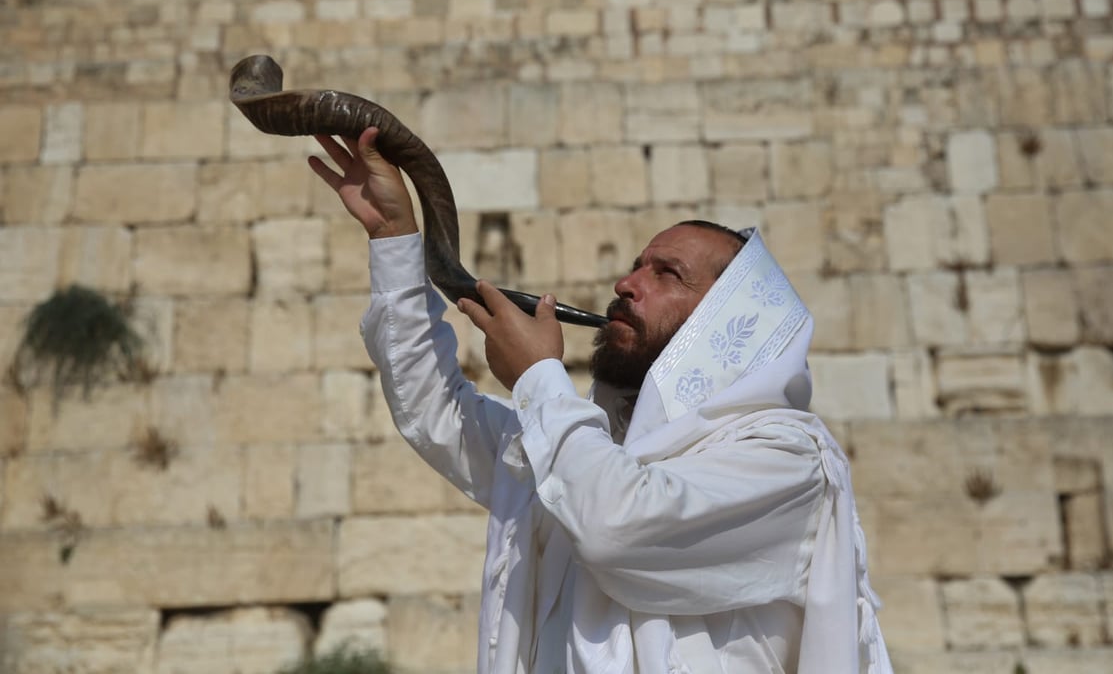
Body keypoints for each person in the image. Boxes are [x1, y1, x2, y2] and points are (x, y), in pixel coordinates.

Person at [309, 127, 893, 674]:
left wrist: (540, 378)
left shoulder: (788, 459)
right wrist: (394, 239)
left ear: (724, 323)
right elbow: (437, 412)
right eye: (636, 264)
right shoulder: (586, 447)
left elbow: (620, 528)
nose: (626, 284)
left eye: (667, 274)